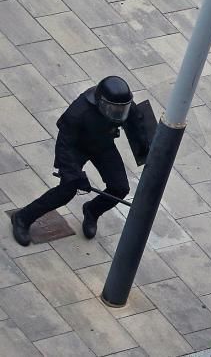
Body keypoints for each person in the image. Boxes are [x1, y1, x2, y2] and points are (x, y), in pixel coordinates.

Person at [11, 76, 137, 246]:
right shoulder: (77, 113)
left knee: (120, 188)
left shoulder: (122, 105)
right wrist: (76, 175)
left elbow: (139, 128)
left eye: (121, 109)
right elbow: (64, 147)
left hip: (103, 145)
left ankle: (92, 211)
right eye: (113, 109)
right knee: (66, 191)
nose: (117, 113)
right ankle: (22, 218)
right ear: (99, 102)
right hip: (76, 148)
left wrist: (152, 153)